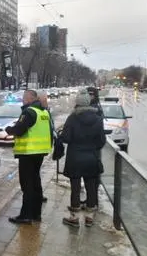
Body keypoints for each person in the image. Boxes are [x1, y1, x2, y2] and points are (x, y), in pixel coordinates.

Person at [5, 89, 52, 224]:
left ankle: (26, 215)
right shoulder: (43, 112)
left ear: (31, 98)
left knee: (27, 185)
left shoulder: (29, 112)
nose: (23, 100)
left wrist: (9, 129)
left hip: (28, 153)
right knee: (36, 182)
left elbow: (19, 130)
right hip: (40, 152)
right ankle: (36, 214)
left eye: (25, 97)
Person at [60, 93, 106, 228]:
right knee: (91, 187)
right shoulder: (98, 119)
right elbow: (101, 141)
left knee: (75, 188)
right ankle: (90, 217)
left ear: (78, 103)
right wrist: (92, 149)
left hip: (75, 157)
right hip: (91, 157)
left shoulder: (72, 118)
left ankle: (74, 217)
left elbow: (66, 138)